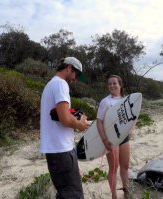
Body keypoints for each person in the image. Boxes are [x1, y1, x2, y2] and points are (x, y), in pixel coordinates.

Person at [39, 57, 89, 199]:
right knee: (73, 195)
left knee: (64, 193)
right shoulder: (61, 84)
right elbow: (65, 119)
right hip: (61, 151)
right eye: (76, 74)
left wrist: (75, 119)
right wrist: (80, 124)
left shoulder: (51, 84)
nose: (75, 79)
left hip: (55, 150)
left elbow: (59, 115)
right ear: (68, 68)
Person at [96, 75, 131, 199]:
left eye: (114, 83)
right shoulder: (106, 102)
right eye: (109, 84)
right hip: (111, 139)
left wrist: (132, 127)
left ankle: (127, 193)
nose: (112, 86)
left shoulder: (126, 99)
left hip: (124, 138)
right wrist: (104, 139)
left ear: (120, 84)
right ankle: (114, 196)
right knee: (113, 168)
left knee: (125, 166)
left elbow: (131, 117)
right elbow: (99, 121)